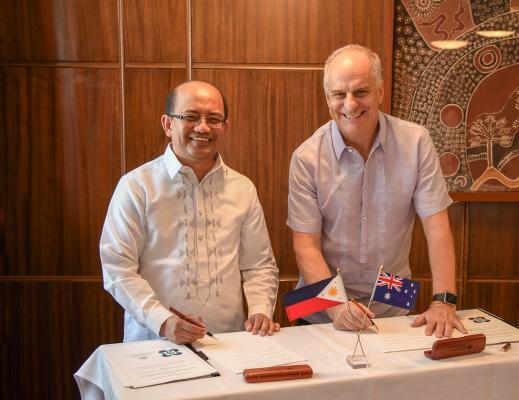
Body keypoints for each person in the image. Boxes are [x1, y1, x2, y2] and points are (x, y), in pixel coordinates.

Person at [287, 45, 467, 338]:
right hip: (320, 303)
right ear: (327, 99)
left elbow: (437, 228)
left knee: (392, 377)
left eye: (361, 92)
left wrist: (444, 301)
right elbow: (304, 245)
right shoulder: (306, 156)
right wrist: (337, 308)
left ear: (380, 91)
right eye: (339, 94)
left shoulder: (416, 142)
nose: (350, 104)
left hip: (391, 295)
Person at [100, 81, 280, 344]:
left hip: (230, 342)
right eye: (190, 117)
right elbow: (118, 268)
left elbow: (258, 265)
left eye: (214, 119)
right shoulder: (138, 186)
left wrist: (260, 310)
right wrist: (162, 320)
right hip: (155, 340)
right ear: (167, 124)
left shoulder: (243, 188)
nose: (203, 127)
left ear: (225, 127)